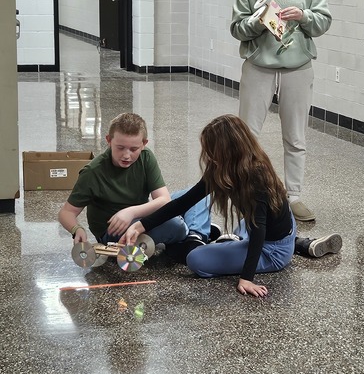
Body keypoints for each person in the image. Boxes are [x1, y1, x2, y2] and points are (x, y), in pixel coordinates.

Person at [122, 114, 341, 299]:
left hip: (271, 248)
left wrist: (247, 278)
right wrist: (141, 226)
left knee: (196, 259)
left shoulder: (256, 176)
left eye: (211, 150)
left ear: (228, 151)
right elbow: (183, 202)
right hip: (267, 227)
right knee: (239, 230)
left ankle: (292, 246)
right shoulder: (223, 168)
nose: (207, 155)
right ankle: (297, 243)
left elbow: (259, 231)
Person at [230, 0, 332, 223]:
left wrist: (303, 15)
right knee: (247, 134)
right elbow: (237, 28)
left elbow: (324, 20)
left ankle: (294, 196)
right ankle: (247, 193)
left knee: (296, 135)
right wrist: (257, 20)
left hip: (297, 67)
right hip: (258, 67)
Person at [58, 111, 212, 255]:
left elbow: (164, 199)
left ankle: (193, 238)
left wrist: (130, 212)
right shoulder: (92, 172)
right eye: (120, 148)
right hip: (114, 232)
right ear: (108, 141)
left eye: (134, 149)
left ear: (144, 143)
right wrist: (76, 229)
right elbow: (67, 212)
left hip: (140, 216)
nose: (126, 155)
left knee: (201, 193)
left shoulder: (146, 157)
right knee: (175, 225)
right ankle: (193, 233)